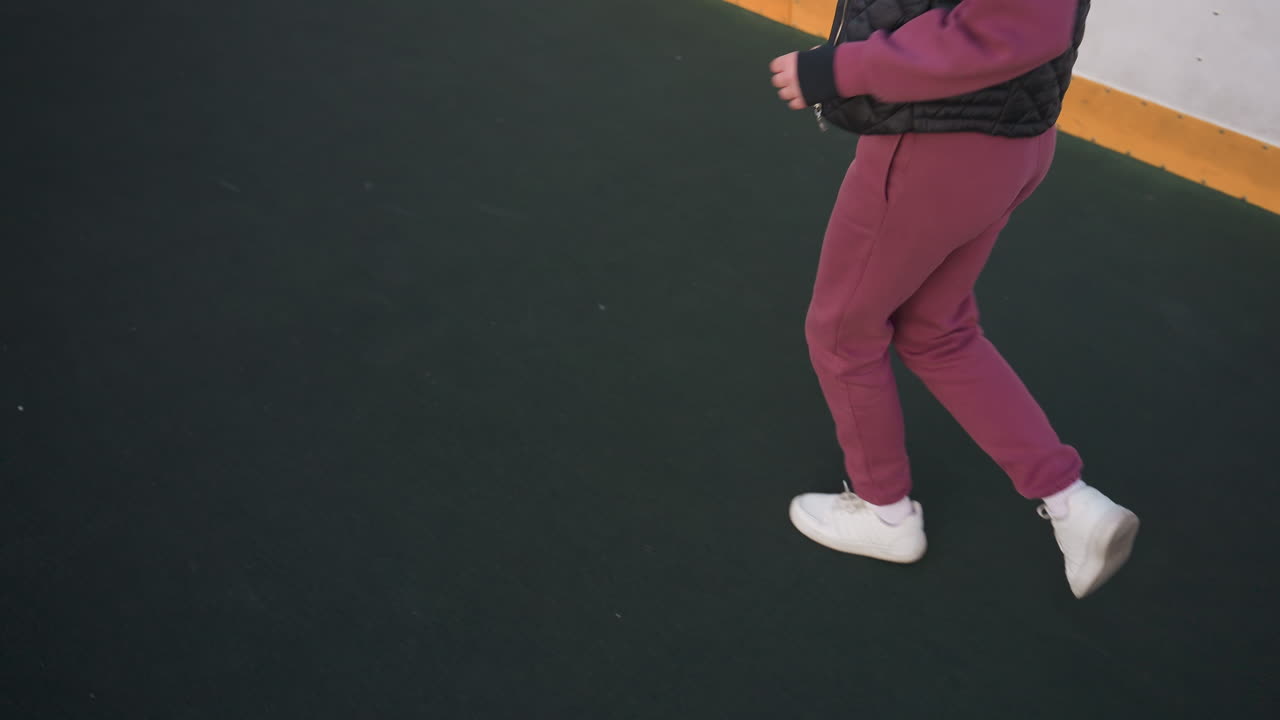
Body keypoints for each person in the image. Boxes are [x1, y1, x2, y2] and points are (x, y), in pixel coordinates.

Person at [767, 0, 1138, 598]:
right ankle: (1073, 504)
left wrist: (840, 69)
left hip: (939, 141)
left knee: (843, 331)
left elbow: (1006, 28)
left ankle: (883, 511)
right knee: (935, 329)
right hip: (1003, 138)